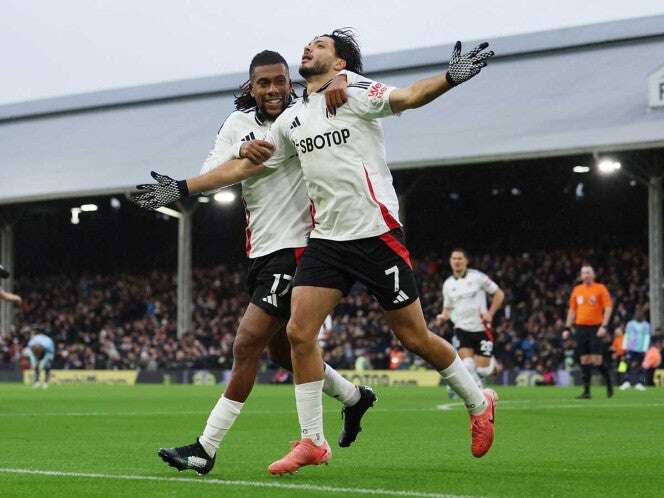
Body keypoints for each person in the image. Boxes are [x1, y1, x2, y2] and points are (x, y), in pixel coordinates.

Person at [132, 29, 497, 473]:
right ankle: (313, 441)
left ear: (339, 64)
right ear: (251, 86)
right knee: (297, 337)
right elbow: (244, 165)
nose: (309, 48)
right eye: (308, 46)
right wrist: (184, 186)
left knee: (413, 337)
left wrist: (450, 77)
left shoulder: (356, 91)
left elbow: (408, 96)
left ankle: (479, 402)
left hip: (373, 234)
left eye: (320, 45)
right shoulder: (290, 120)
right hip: (325, 240)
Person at [153, 51, 375, 476]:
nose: (273, 90)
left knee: (246, 344)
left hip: (299, 248)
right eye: (263, 83)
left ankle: (206, 447)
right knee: (281, 351)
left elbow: (344, 91)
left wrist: (342, 81)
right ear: (251, 86)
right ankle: (353, 397)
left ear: (290, 82)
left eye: (279, 81)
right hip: (259, 251)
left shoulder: (304, 114)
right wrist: (240, 148)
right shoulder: (236, 124)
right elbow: (210, 170)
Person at [437, 249, 505, 387]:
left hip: (481, 328)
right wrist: (442, 317)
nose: (457, 261)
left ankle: (491, 364)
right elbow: (448, 309)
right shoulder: (448, 284)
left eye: (460, 258)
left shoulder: (478, 277)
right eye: (454, 258)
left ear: (466, 261)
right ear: (450, 261)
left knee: (483, 370)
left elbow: (499, 294)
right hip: (461, 328)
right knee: (467, 365)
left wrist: (490, 313)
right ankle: (478, 392)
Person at [563, 264, 614, 399]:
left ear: (593, 274)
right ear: (581, 275)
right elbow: (572, 310)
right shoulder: (577, 290)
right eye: (584, 273)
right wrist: (567, 327)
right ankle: (587, 391)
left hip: (596, 328)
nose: (586, 275)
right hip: (580, 328)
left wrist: (604, 326)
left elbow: (608, 307)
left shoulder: (600, 288)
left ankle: (609, 382)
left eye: (588, 272)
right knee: (584, 360)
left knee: (597, 360)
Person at [619, 308, 651, 391]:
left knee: (642, 366)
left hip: (641, 349)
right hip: (631, 348)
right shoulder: (630, 324)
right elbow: (626, 335)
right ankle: (626, 382)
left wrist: (645, 349)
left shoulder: (646, 325)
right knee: (624, 365)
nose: (639, 315)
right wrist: (624, 347)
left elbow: (647, 337)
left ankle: (640, 383)